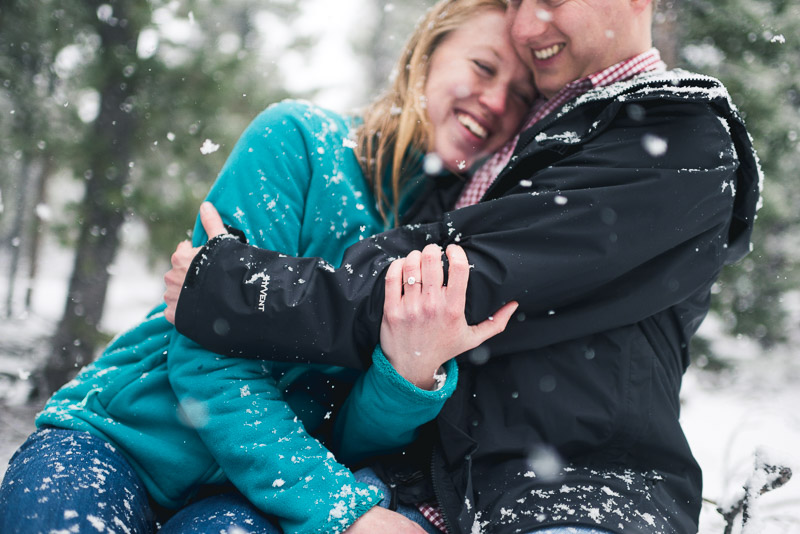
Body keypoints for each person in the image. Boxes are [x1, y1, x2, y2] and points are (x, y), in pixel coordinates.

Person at [163, 0, 763, 533]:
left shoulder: (675, 138)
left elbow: (448, 285)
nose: (527, 24)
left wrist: (239, 288)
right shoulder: (503, 147)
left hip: (577, 497)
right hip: (440, 494)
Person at [0, 1, 534, 533]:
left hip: (248, 500)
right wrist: (339, 509)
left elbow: (345, 434)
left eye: (520, 96)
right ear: (426, 54)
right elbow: (207, 358)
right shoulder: (301, 143)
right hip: (121, 442)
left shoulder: (452, 249)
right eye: (483, 68)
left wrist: (407, 379)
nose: (494, 101)